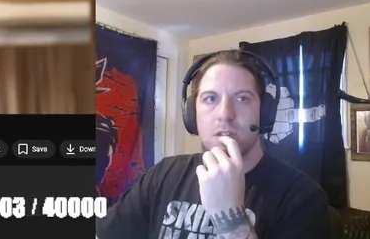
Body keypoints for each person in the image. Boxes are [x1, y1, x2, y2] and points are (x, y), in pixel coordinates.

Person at [97, 51, 331, 239]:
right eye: (210, 98)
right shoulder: (162, 175)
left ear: (265, 112)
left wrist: (232, 223)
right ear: (192, 114)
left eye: (242, 98)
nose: (225, 114)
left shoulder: (303, 197)